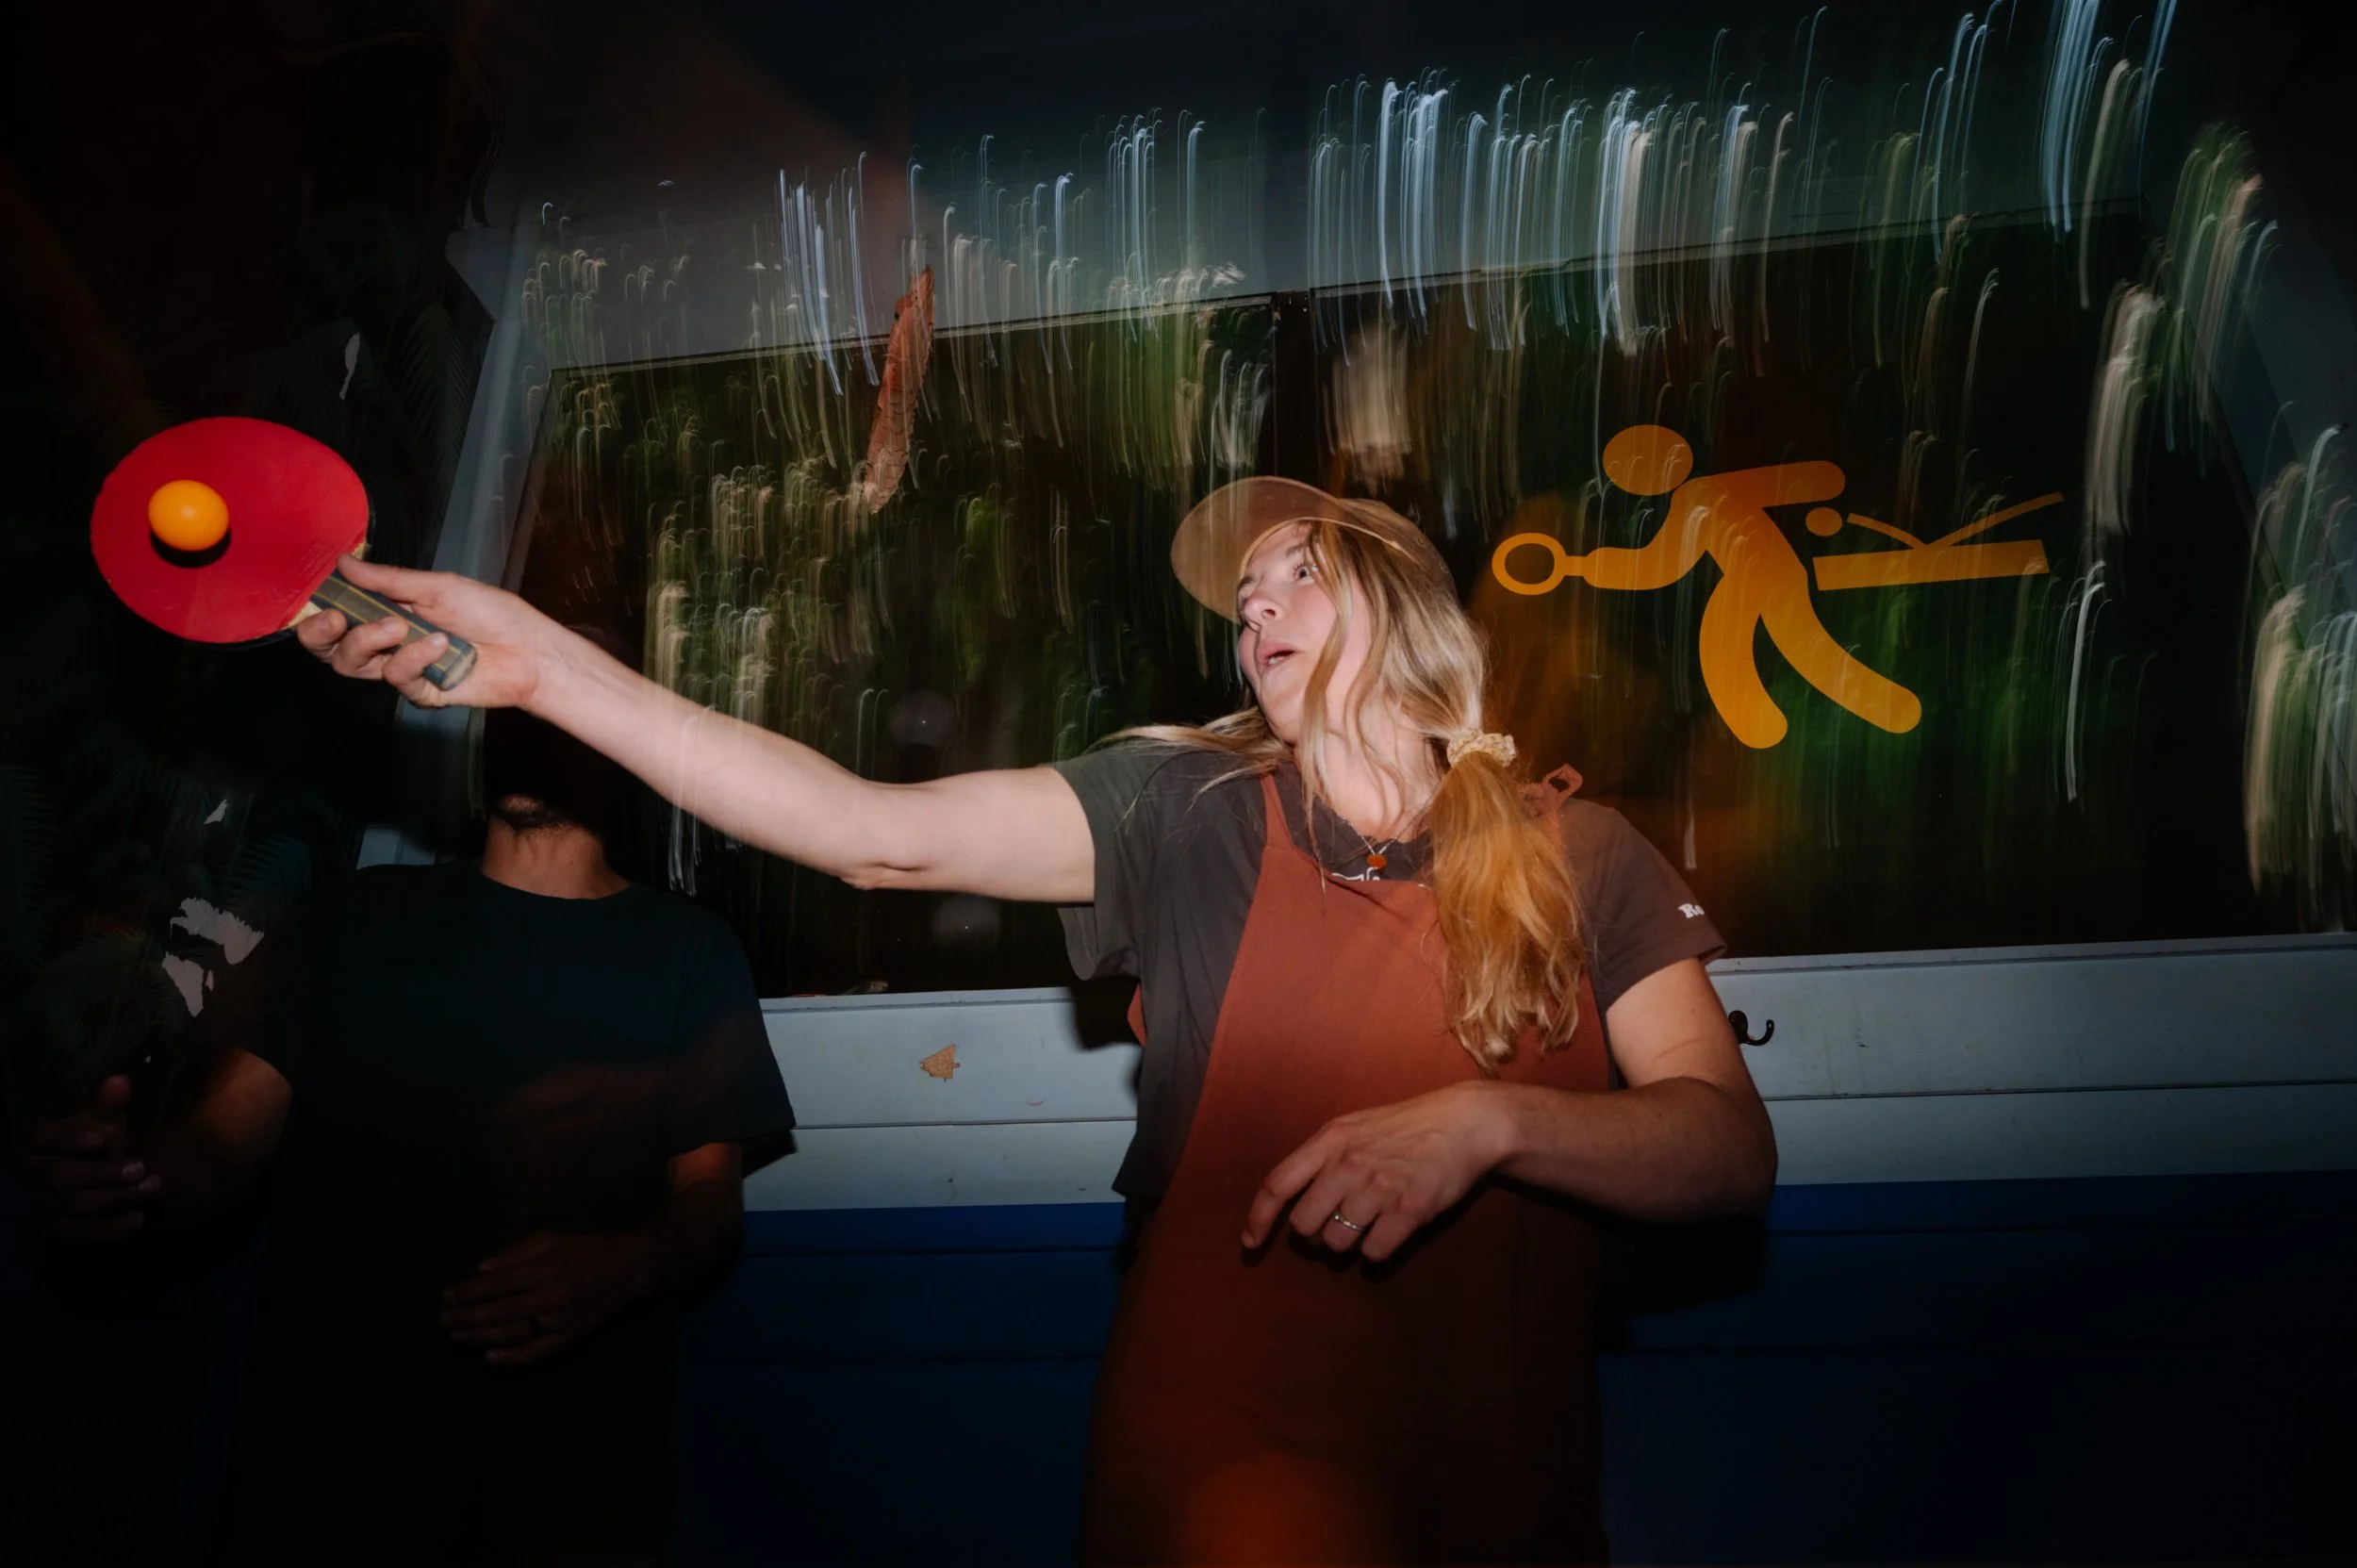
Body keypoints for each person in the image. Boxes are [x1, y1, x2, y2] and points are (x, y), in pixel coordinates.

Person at [296, 476, 1776, 1565]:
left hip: (1511, 1456)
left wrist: (1496, 1118)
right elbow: (865, 827)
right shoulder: (1178, 810)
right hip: (1234, 1438)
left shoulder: (1586, 853)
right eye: (1242, 596)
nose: (1253, 607)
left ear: (1402, 608)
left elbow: (1723, 1147)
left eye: (1295, 575)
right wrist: (549, 669)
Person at [25, 668, 796, 1565]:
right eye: (519, 705)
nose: (536, 722)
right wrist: (132, 1181)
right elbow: (221, 1140)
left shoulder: (689, 952)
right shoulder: (349, 916)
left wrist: (626, 1263)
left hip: (573, 1468)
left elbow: (709, 1204)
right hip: (329, 1463)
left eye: (567, 699)